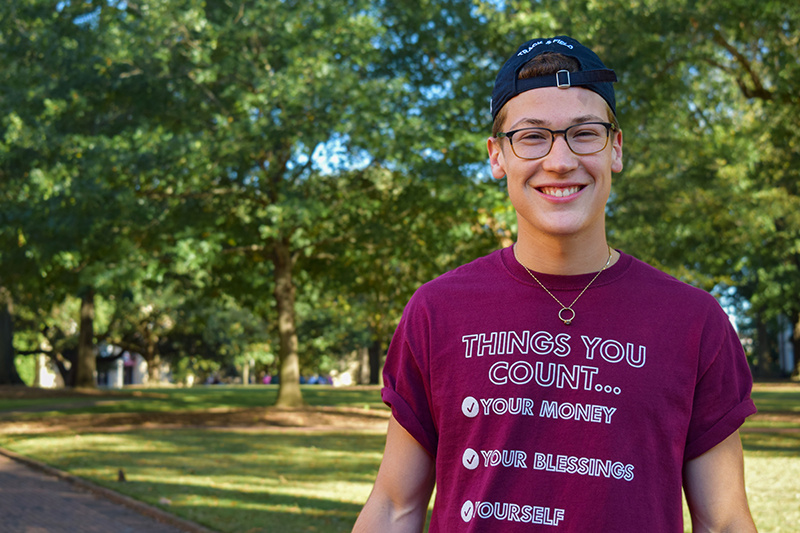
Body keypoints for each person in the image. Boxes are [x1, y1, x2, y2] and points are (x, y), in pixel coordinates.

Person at [353, 35, 757, 532]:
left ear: (616, 148)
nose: (560, 161)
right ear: (497, 156)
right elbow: (395, 506)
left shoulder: (695, 323)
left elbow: (725, 522)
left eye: (585, 133)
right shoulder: (437, 310)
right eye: (532, 136)